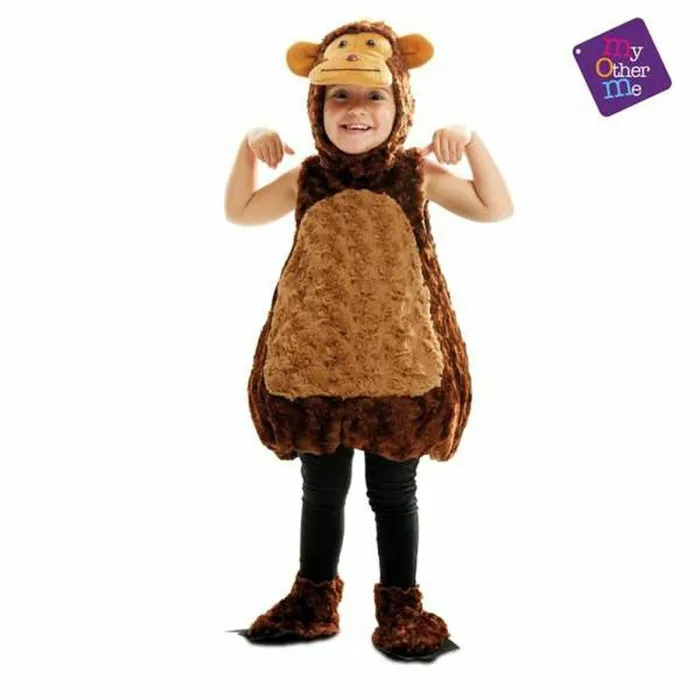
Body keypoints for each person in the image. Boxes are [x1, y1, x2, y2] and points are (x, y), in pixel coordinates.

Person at [224, 19, 512, 661]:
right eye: (339, 96)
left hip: (400, 367)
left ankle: (401, 606)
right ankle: (313, 599)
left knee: (394, 494)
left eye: (374, 95)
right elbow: (239, 212)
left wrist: (471, 142)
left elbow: (495, 208)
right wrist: (247, 145)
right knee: (321, 492)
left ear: (400, 101)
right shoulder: (307, 179)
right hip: (313, 366)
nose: (356, 110)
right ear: (317, 106)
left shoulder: (416, 175)